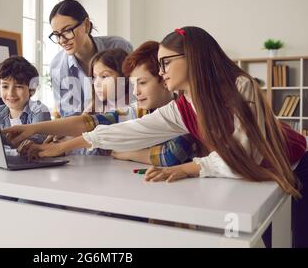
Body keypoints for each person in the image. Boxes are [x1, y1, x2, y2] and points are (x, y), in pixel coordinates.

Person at [63, 26, 308, 247]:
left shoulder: (240, 86)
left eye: (166, 62)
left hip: (296, 168)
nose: (162, 72)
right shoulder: (182, 106)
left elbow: (244, 154)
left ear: (192, 58)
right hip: (261, 179)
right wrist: (71, 144)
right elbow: (134, 129)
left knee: (296, 238)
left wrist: (188, 168)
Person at [4, 41, 197, 167]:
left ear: (164, 80)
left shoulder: (183, 110)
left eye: (143, 83)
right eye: (133, 83)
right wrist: (32, 128)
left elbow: (171, 154)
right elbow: (89, 122)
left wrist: (126, 152)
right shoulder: (135, 110)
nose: (136, 91)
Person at [49, 0, 133, 117]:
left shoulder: (119, 46)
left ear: (86, 25)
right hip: (84, 129)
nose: (62, 40)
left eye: (67, 31)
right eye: (57, 35)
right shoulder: (57, 66)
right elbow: (69, 114)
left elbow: (136, 93)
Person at [0, 56, 51, 149]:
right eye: (5, 86)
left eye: (18, 86)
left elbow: (38, 139)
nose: (10, 93)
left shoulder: (39, 110)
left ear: (32, 90)